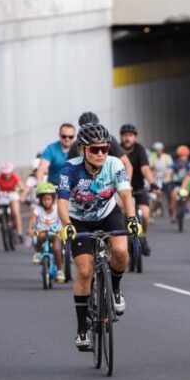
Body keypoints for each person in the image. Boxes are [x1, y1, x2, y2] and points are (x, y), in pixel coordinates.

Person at [56, 123, 140, 351]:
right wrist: (67, 225)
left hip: (107, 215)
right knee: (85, 271)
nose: (101, 153)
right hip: (79, 220)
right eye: (95, 149)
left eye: (105, 148)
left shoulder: (115, 164)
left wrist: (132, 219)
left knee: (121, 251)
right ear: (82, 150)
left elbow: (125, 194)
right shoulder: (69, 169)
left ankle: (115, 289)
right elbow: (61, 202)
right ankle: (82, 329)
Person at [120, 124, 157, 257]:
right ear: (121, 137)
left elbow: (145, 168)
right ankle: (122, 240)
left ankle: (143, 236)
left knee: (145, 214)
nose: (127, 138)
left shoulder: (140, 149)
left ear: (135, 137)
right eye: (125, 135)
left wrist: (152, 182)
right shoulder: (117, 149)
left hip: (138, 189)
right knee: (121, 213)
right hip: (121, 190)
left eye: (130, 135)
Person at [67, 112, 133, 179]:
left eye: (104, 149)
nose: (99, 154)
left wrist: (126, 183)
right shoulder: (76, 145)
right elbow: (69, 170)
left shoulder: (109, 140)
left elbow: (127, 165)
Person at [27, 182, 65, 282]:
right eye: (44, 200)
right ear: (40, 200)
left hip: (56, 233)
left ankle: (60, 270)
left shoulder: (57, 208)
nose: (46, 202)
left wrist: (63, 228)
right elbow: (33, 219)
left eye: (48, 199)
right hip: (42, 231)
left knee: (57, 248)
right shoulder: (38, 209)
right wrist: (30, 229)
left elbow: (63, 218)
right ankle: (38, 253)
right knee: (40, 236)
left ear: (53, 199)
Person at [0, 162, 28, 242]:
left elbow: (22, 187)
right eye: (5, 174)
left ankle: (19, 234)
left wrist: (19, 190)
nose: (6, 175)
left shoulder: (15, 177)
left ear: (11, 172)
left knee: (16, 213)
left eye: (8, 173)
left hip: (12, 195)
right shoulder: (0, 177)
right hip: (2, 195)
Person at [168, 145, 190, 224]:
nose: (183, 158)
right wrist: (168, 177)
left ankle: (188, 203)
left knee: (188, 190)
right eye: (182, 156)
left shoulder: (189, 164)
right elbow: (169, 171)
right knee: (173, 195)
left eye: (185, 156)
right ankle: (174, 215)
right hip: (176, 184)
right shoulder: (175, 164)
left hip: (186, 184)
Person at [149, 141, 173, 216]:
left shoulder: (167, 157)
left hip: (166, 177)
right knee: (156, 195)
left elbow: (170, 169)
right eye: (157, 150)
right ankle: (156, 209)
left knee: (169, 193)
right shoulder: (152, 158)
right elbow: (151, 170)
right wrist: (152, 179)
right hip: (157, 178)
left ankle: (171, 207)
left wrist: (168, 177)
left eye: (159, 149)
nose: (158, 151)